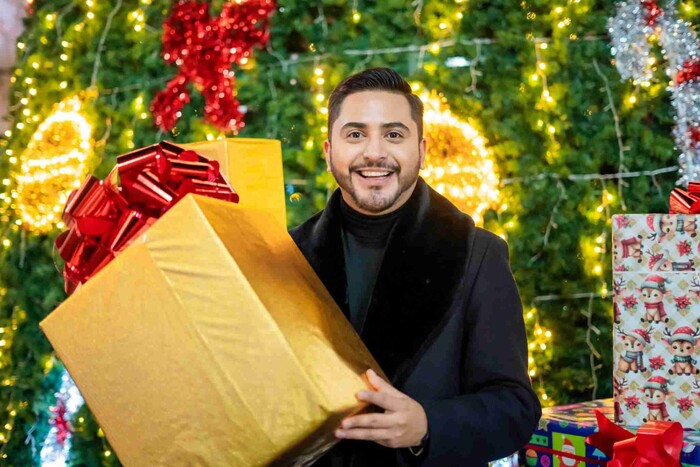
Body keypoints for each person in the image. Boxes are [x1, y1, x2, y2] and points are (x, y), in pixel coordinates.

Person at [289, 67, 541, 467]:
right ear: (328, 151)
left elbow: (515, 407)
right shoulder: (288, 255)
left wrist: (428, 425)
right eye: (355, 134)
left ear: (421, 150)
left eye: (393, 134)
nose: (374, 153)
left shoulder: (477, 254)